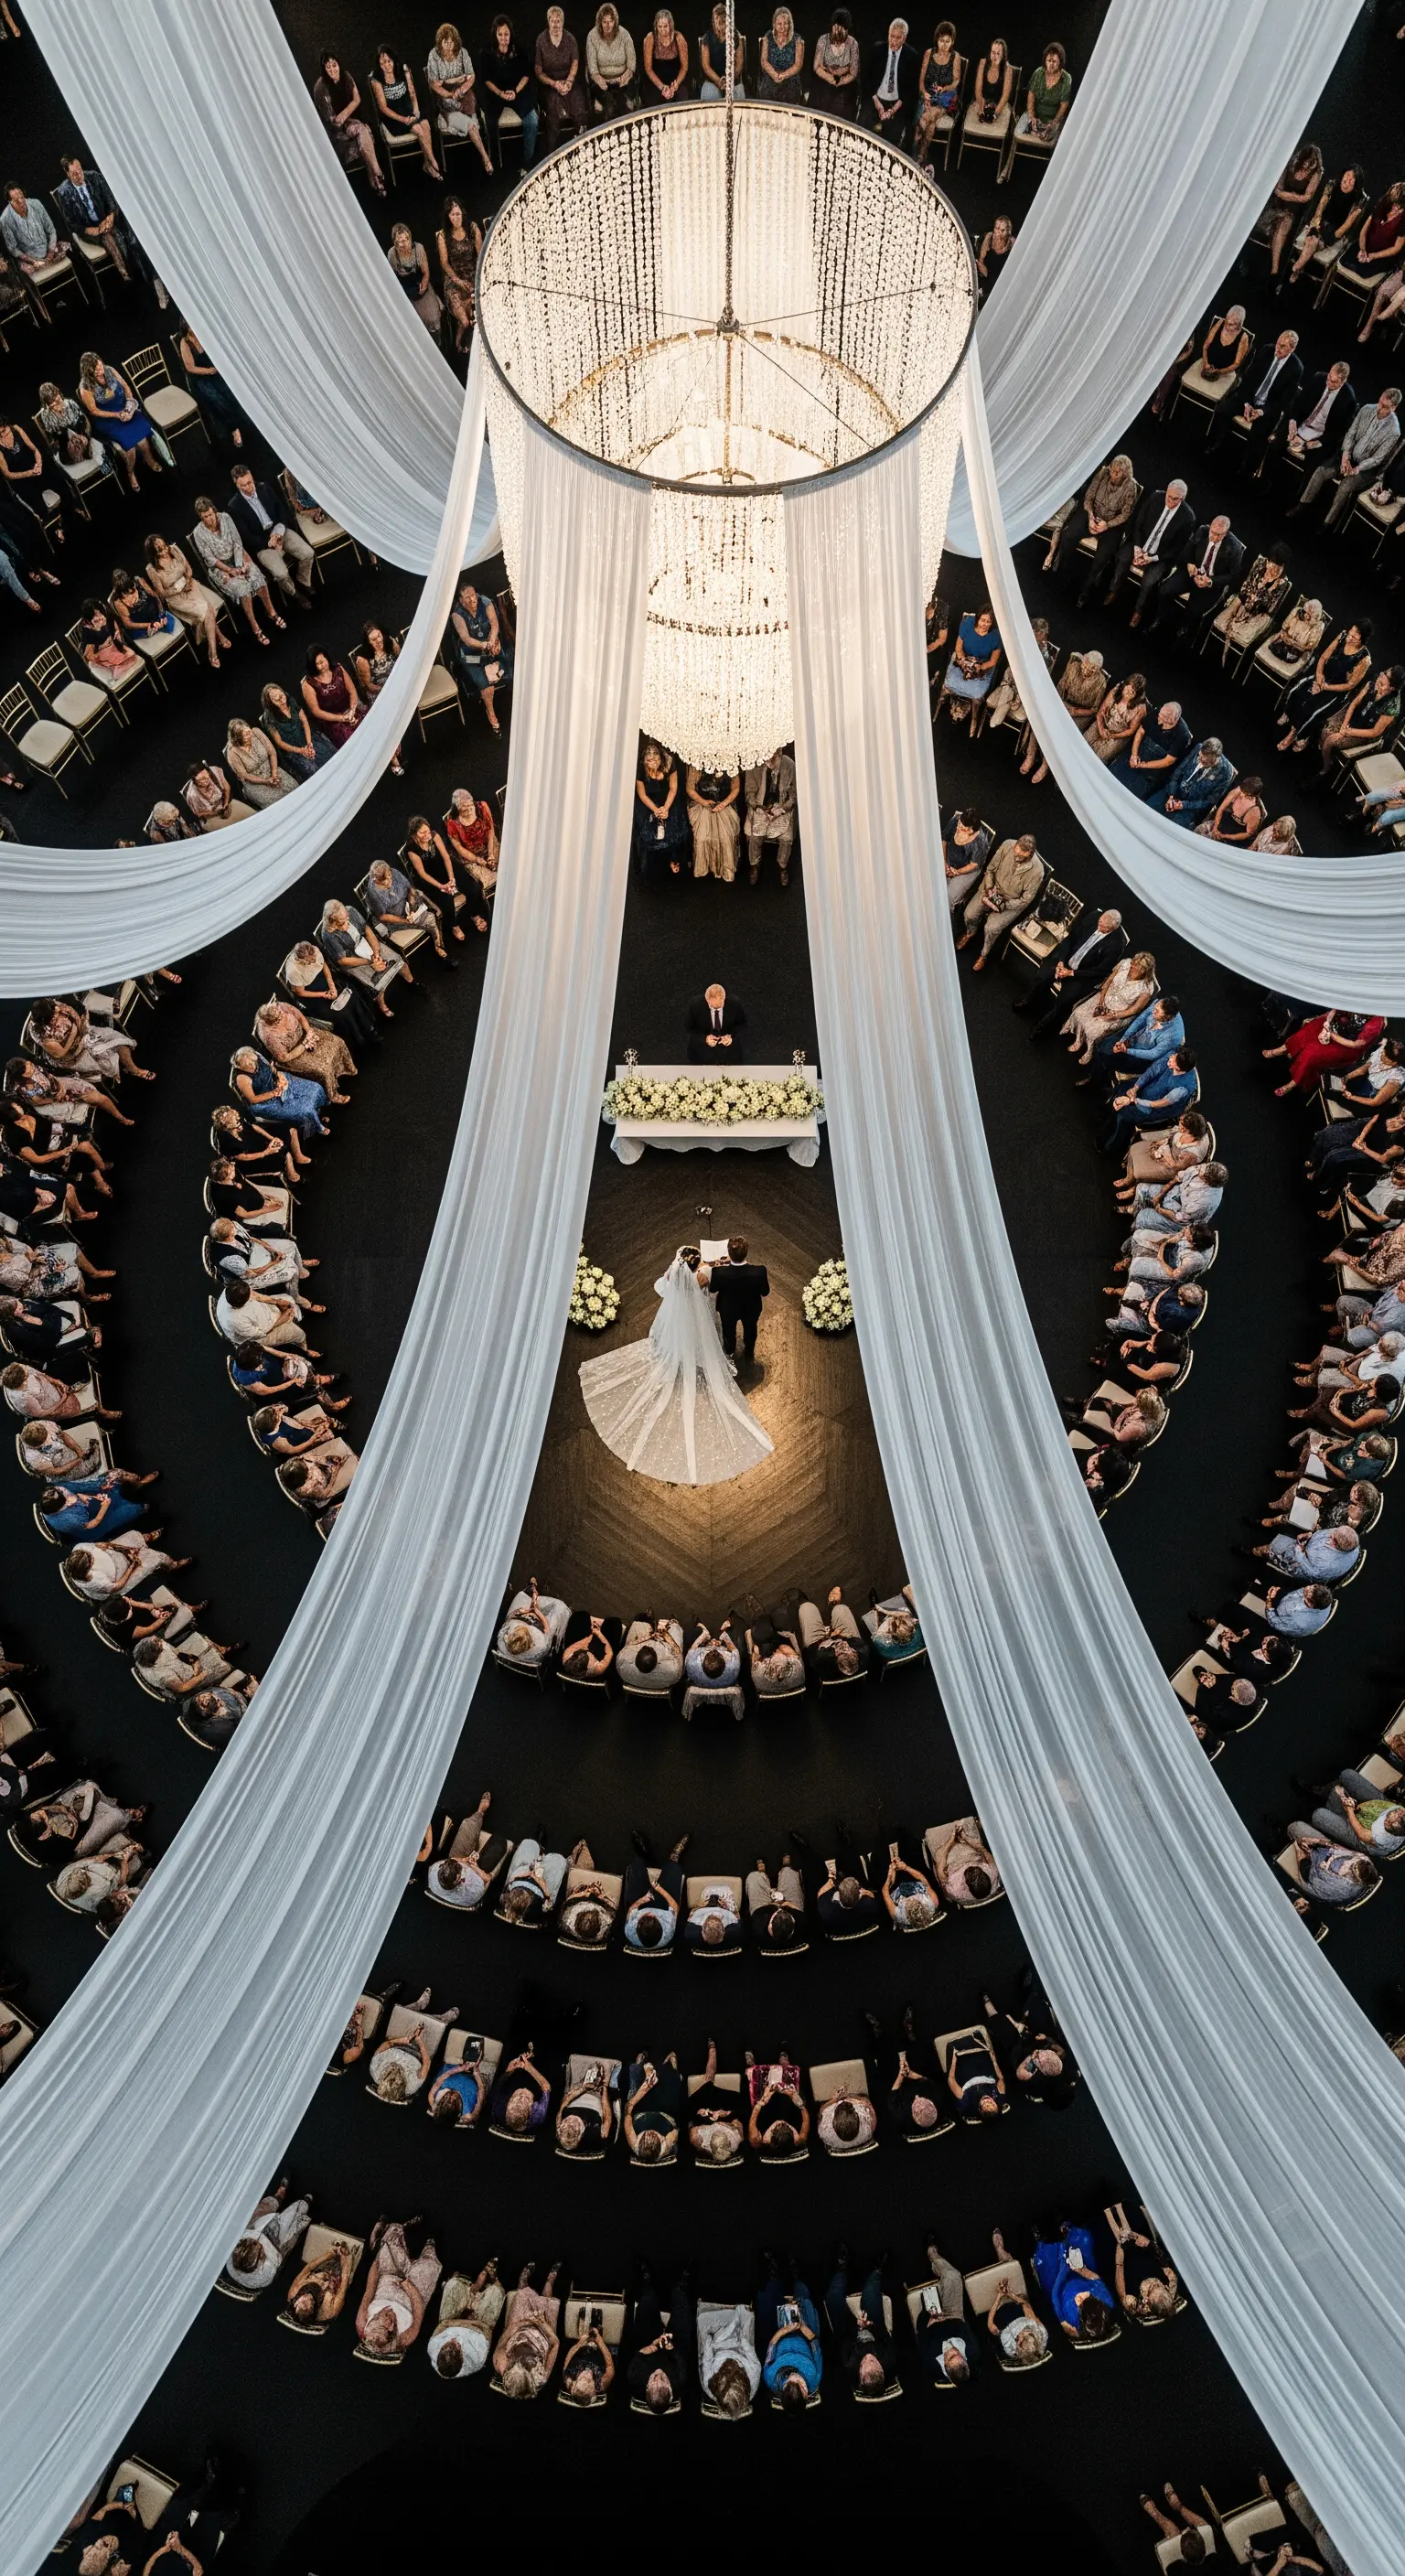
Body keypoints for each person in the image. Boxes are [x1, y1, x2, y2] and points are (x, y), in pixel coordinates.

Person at [1291, 387, 1401, 529]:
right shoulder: (1367, 409)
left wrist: (1356, 469)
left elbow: (1377, 459)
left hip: (1365, 469)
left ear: (1394, 407)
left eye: (1385, 407)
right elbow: (1351, 433)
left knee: (1345, 486)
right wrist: (1345, 457)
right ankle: (1302, 505)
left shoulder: (1394, 431)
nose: (1379, 408)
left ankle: (1327, 524)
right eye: (1380, 402)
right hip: (1347, 456)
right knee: (1321, 471)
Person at [1019, 906, 1126, 1040]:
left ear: (1112, 929)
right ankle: (1029, 1000)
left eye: (1104, 928)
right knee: (1043, 975)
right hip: (1066, 960)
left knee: (1065, 1000)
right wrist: (1061, 962)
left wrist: (1072, 973)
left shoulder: (1117, 944)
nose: (1100, 927)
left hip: (1081, 974)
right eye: (1100, 922)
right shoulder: (1093, 917)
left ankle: (1042, 1025)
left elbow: (1101, 971)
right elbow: (1070, 938)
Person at [191, 494, 279, 645]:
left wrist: (239, 565)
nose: (210, 518)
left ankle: (271, 611)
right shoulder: (199, 533)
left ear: (214, 510)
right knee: (244, 590)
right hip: (220, 568)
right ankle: (255, 627)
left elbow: (237, 541)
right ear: (201, 517)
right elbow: (210, 559)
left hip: (238, 557)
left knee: (257, 578)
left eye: (211, 514)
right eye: (206, 516)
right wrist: (229, 570)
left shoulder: (225, 518)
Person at [1206, 326, 1303, 456]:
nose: (1277, 349)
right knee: (1222, 411)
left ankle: (1245, 467)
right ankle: (1214, 444)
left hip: (1267, 409)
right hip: (1249, 398)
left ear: (1292, 349)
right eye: (1278, 343)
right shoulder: (1267, 350)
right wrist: (1246, 403)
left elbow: (1283, 401)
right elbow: (1248, 378)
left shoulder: (1296, 368)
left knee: (1258, 437)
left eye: (1283, 347)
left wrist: (1261, 412)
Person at [227, 465, 315, 608]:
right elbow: (246, 537)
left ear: (252, 478)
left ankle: (303, 580)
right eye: (243, 485)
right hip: (262, 544)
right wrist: (269, 542)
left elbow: (281, 510)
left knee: (308, 553)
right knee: (281, 574)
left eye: (250, 482)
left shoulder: (264, 488)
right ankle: (295, 593)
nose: (249, 488)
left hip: (279, 531)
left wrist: (278, 532)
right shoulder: (234, 506)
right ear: (237, 485)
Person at [77, 351, 163, 494]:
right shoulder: (85, 387)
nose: (101, 370)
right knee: (130, 449)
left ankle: (149, 459)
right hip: (108, 418)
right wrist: (117, 415)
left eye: (100, 365)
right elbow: (94, 411)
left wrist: (129, 405)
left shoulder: (109, 370)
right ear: (89, 372)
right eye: (97, 369)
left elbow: (125, 386)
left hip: (123, 406)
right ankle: (130, 472)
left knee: (142, 439)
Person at [956, 832, 1043, 969]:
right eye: (1015, 853)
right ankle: (970, 932)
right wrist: (989, 888)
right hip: (992, 888)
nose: (1016, 857)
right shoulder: (1008, 844)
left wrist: (1003, 904)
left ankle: (984, 954)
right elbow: (990, 870)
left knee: (991, 928)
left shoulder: (1038, 871)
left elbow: (1026, 900)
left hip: (1011, 901)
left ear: (1029, 855)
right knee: (969, 914)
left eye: (1020, 857)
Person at [355, 2217, 441, 2356]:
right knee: (429, 2267)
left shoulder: (361, 2323)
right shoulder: (405, 2338)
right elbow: (420, 2310)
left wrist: (377, 2262)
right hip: (414, 2293)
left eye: (375, 2318)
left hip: (388, 2278)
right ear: (390, 2327)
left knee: (389, 2245)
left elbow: (369, 2291)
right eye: (383, 2321)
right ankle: (430, 2243)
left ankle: (400, 2227)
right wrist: (407, 2285)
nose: (379, 2316)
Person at [144, 531, 222, 668]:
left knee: (206, 610)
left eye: (164, 546)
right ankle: (214, 647)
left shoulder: (174, 549)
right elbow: (162, 594)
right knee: (207, 609)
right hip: (175, 598)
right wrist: (177, 589)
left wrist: (186, 582)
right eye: (160, 550)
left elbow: (189, 569)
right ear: (153, 554)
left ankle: (215, 644)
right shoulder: (151, 569)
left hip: (190, 586)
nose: (165, 551)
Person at [1031, 2222, 1118, 2342]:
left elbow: (1055, 2298)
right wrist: (1080, 2269)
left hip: (1058, 2285)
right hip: (1082, 2274)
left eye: (1080, 2305)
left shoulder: (1072, 2325)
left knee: (1045, 2260)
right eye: (1084, 2299)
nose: (1079, 2299)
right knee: (1084, 2240)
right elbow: (1096, 2279)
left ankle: (1041, 2240)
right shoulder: (1107, 2303)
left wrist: (1062, 2272)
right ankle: (1067, 2227)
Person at [824, 2249, 896, 2394]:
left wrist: (858, 2327)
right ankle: (877, 2271)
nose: (869, 2357)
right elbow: (885, 2337)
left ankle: (842, 2270)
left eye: (865, 2363)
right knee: (870, 2292)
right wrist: (870, 2326)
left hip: (850, 2332)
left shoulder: (849, 2365)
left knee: (833, 2297)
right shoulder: (889, 2362)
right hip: (872, 2329)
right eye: (874, 2362)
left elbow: (844, 2341)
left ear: (859, 2375)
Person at [311, 52, 385, 192]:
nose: (333, 69)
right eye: (328, 67)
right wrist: (347, 116)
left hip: (353, 119)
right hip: (338, 129)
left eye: (334, 65)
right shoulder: (320, 87)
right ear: (324, 69)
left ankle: (374, 179)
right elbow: (335, 121)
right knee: (361, 130)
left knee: (364, 132)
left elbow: (357, 99)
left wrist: (346, 114)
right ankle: (377, 171)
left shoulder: (346, 76)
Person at [625, 2265, 695, 2410]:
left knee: (647, 2304)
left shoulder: (635, 2377)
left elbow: (639, 2354)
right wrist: (669, 2346)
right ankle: (681, 2287)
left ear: (648, 2387)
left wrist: (656, 2343)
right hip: (672, 2348)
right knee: (683, 2317)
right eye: (664, 2379)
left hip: (650, 2345)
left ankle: (647, 2282)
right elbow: (679, 2359)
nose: (659, 2373)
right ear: (670, 2388)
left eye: (655, 2378)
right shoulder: (679, 2380)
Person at [426, 24, 496, 170]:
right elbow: (434, 84)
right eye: (445, 42)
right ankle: (485, 157)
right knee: (470, 123)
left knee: (470, 98)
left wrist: (461, 88)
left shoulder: (462, 53)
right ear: (440, 42)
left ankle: (473, 123)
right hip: (445, 98)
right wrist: (451, 90)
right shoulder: (434, 55)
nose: (449, 45)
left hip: (463, 93)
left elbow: (471, 76)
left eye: (451, 41)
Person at [225, 2181, 312, 2295]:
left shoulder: (237, 2251)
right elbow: (274, 2260)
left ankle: (279, 2195)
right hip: (275, 2246)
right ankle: (304, 2204)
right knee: (288, 2223)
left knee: (262, 2210)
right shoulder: (266, 2267)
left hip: (253, 2229)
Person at [449, 579, 511, 733]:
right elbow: (466, 638)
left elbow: (494, 624)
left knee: (510, 668)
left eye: (473, 595)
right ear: (461, 600)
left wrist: (492, 641)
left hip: (489, 645)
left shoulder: (486, 602)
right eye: (467, 597)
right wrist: (485, 645)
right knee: (486, 685)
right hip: (471, 654)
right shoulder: (457, 615)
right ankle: (491, 713)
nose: (472, 600)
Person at [492, 2263, 563, 2397]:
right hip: (544, 2334)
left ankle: (523, 2280)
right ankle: (550, 2279)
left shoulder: (500, 2363)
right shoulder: (542, 2376)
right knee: (547, 2300)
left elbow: (503, 2340)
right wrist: (542, 2324)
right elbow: (555, 2344)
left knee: (522, 2296)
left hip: (518, 2330)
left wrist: (520, 2324)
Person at [370, 48, 442, 177]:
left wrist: (416, 109)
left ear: (394, 60)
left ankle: (427, 164)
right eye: (383, 63)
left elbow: (412, 92)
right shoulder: (376, 79)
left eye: (389, 61)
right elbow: (383, 108)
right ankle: (433, 161)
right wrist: (403, 119)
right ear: (379, 64)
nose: (386, 65)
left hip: (407, 107)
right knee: (418, 129)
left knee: (425, 124)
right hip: (393, 115)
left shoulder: (403, 70)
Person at [427, 2260, 504, 2376]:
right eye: (455, 2349)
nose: (452, 2342)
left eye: (446, 2346)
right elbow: (487, 2330)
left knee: (453, 2285)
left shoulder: (433, 2349)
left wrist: (467, 2323)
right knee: (496, 2293)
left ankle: (474, 2287)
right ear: (463, 2358)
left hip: (467, 2323)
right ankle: (492, 2281)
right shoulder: (477, 2358)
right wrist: (467, 2322)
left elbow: (442, 2324)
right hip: (479, 2321)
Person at [705, 1231, 769, 1367]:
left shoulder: (719, 1272)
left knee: (728, 1332)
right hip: (751, 1308)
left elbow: (712, 1290)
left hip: (728, 1309)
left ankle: (729, 1353)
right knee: (751, 1329)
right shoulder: (759, 1271)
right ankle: (749, 1351)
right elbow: (765, 1292)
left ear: (729, 1253)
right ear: (746, 1251)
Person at [482, 16, 539, 162]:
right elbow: (486, 79)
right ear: (495, 34)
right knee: (489, 121)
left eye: (506, 34)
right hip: (497, 93)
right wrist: (500, 93)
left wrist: (515, 91)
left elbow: (526, 75)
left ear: (510, 34)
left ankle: (528, 161)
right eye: (500, 34)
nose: (503, 38)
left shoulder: (519, 49)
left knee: (532, 121)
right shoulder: (487, 52)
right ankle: (495, 160)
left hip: (517, 91)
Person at [621, 1827, 688, 1950]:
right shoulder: (667, 1931)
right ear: (660, 1926)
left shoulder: (630, 1932)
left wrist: (643, 1900)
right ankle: (674, 1857)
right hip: (662, 1908)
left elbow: (631, 1910)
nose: (650, 1913)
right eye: (652, 1917)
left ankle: (644, 1856)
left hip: (641, 1906)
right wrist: (659, 1889)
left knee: (635, 1869)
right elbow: (674, 1907)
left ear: (638, 1927)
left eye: (647, 1916)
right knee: (674, 1871)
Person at [633, 739, 689, 880]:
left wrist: (666, 808)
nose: (653, 763)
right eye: (649, 761)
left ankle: (673, 858)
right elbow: (642, 794)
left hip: (668, 799)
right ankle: (650, 866)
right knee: (647, 832)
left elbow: (673, 788)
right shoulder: (640, 767)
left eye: (656, 760)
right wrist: (656, 810)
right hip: (649, 801)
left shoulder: (669, 762)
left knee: (676, 828)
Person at [940, 603, 1002, 727]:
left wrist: (979, 667)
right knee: (950, 681)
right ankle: (948, 698)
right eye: (982, 620)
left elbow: (993, 661)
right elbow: (958, 647)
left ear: (993, 623)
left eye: (988, 622)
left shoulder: (996, 635)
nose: (984, 624)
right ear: (977, 618)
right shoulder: (968, 623)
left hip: (982, 664)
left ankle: (974, 715)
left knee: (977, 691)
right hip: (964, 659)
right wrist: (965, 662)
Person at [743, 749, 797, 886]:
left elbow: (793, 797)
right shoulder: (755, 764)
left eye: (774, 760)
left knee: (787, 838)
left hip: (782, 808)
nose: (770, 764)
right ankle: (754, 864)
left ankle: (782, 866)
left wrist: (782, 809)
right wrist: (757, 807)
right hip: (761, 806)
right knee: (754, 834)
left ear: (779, 756)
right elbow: (749, 793)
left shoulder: (790, 765)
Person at [436, 194, 483, 349]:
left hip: (472, 274)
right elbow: (444, 263)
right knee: (464, 320)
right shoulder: (443, 236)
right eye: (452, 215)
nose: (456, 218)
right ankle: (457, 343)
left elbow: (481, 254)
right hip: (455, 278)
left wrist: (477, 278)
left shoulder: (473, 229)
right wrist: (458, 280)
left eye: (458, 214)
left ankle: (476, 340)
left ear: (462, 213)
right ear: (448, 216)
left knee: (476, 315)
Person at [536, 8, 588, 144]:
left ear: (563, 22)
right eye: (552, 21)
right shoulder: (541, 40)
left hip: (568, 81)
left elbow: (575, 62)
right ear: (548, 22)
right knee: (553, 111)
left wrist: (569, 81)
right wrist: (554, 83)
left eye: (558, 21)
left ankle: (581, 146)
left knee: (579, 106)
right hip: (550, 84)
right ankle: (553, 153)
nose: (555, 25)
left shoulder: (570, 39)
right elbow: (538, 71)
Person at [863, 17, 919, 143]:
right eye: (891, 36)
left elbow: (911, 91)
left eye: (898, 38)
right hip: (876, 99)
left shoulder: (911, 56)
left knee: (892, 137)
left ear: (904, 38)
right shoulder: (877, 50)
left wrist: (893, 110)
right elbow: (866, 79)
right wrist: (877, 102)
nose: (893, 41)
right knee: (864, 125)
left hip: (897, 103)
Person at [1156, 735, 1234, 824]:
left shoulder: (1226, 772)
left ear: (1214, 760)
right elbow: (1179, 771)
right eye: (1199, 757)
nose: (1200, 762)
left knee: (1170, 828)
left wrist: (1183, 805)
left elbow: (1210, 801)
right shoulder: (1199, 748)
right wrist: (1172, 795)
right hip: (1175, 791)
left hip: (1191, 807)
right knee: (1150, 807)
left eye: (1204, 762)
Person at [261, 682, 327, 781]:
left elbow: (304, 722)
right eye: (277, 700)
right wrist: (301, 751)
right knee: (312, 769)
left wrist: (309, 744)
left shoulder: (290, 700)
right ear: (271, 702)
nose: (282, 700)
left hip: (306, 738)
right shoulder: (269, 717)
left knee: (325, 754)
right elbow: (280, 743)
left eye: (282, 696)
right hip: (292, 749)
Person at [686, 763, 741, 881]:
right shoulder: (698, 763)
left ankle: (724, 870)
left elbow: (736, 788)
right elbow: (689, 788)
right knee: (701, 838)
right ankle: (704, 869)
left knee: (726, 838)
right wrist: (703, 802)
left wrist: (723, 804)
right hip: (703, 806)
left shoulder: (731, 762)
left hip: (724, 806)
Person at [224, 717, 292, 809]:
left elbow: (272, 752)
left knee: (293, 788)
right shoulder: (232, 753)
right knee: (279, 806)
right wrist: (266, 781)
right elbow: (245, 776)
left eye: (247, 730)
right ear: (238, 739)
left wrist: (274, 773)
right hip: (256, 783)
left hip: (272, 770)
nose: (249, 735)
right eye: (245, 735)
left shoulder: (256, 732)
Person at [0, 182, 64, 276]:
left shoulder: (36, 204)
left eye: (22, 197)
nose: (21, 202)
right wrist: (33, 261)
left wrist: (50, 251)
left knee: (67, 248)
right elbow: (13, 249)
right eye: (16, 201)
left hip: (49, 251)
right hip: (30, 261)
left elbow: (51, 229)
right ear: (10, 202)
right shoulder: (5, 219)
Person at [1016, 39, 1071, 146]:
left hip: (1053, 119)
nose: (1051, 64)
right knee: (1019, 133)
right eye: (1049, 61)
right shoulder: (1039, 73)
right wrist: (1032, 116)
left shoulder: (1066, 78)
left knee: (1051, 139)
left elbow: (1064, 105)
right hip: (1035, 115)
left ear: (1060, 61)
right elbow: (1031, 96)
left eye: (1054, 62)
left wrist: (1054, 122)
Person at [302, 648, 362, 746]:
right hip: (333, 721)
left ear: (327, 658)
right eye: (317, 664)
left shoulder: (338, 669)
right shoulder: (309, 684)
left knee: (371, 725)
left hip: (351, 710)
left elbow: (352, 692)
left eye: (323, 661)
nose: (321, 666)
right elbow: (316, 711)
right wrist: (342, 718)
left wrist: (352, 711)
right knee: (354, 740)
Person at [586, 4, 637, 114]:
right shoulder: (592, 36)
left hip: (623, 81)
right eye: (604, 22)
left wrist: (624, 78)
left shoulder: (625, 35)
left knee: (623, 103)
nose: (607, 25)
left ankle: (626, 130)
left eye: (610, 21)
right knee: (609, 104)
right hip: (601, 82)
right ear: (600, 22)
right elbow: (592, 68)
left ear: (615, 22)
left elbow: (631, 64)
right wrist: (602, 81)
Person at [812, 10, 859, 116]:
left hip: (844, 81)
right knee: (822, 96)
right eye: (836, 28)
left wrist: (840, 81)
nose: (838, 33)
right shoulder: (823, 40)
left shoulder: (853, 44)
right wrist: (830, 78)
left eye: (841, 30)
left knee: (843, 102)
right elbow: (817, 67)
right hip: (826, 77)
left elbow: (854, 72)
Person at [685, 980, 746, 1060]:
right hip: (700, 1054)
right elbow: (689, 1027)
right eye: (713, 1007)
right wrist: (705, 1038)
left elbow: (743, 1024)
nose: (716, 1008)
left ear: (724, 999)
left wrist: (731, 1037)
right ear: (707, 1000)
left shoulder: (735, 1004)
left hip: (730, 1054)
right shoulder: (695, 1005)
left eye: (719, 1006)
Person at [698, 0, 744, 97]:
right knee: (710, 97)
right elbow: (706, 66)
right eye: (717, 20)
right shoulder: (707, 37)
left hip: (733, 79)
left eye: (723, 20)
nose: (720, 23)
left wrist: (730, 79)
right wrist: (718, 81)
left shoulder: (736, 35)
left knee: (737, 99)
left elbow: (739, 63)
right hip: (712, 80)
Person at [758, 5, 803, 101]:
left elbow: (798, 65)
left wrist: (783, 75)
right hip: (771, 76)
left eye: (785, 24)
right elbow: (764, 61)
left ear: (789, 24)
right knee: (767, 91)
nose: (783, 27)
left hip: (790, 78)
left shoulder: (797, 39)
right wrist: (775, 75)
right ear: (774, 24)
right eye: (779, 24)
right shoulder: (768, 36)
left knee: (790, 94)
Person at [643, 6, 690, 99]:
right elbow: (648, 68)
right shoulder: (650, 38)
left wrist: (676, 84)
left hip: (676, 80)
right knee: (653, 97)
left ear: (670, 25)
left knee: (682, 95)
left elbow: (684, 67)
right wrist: (662, 87)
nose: (663, 30)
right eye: (660, 27)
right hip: (656, 81)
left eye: (665, 26)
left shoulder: (679, 38)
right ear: (656, 26)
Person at [976, 211, 1015, 295]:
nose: (998, 232)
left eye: (1002, 230)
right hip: (988, 278)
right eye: (996, 228)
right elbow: (981, 261)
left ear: (1008, 232)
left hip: (1003, 280)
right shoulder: (989, 237)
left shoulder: (1011, 242)